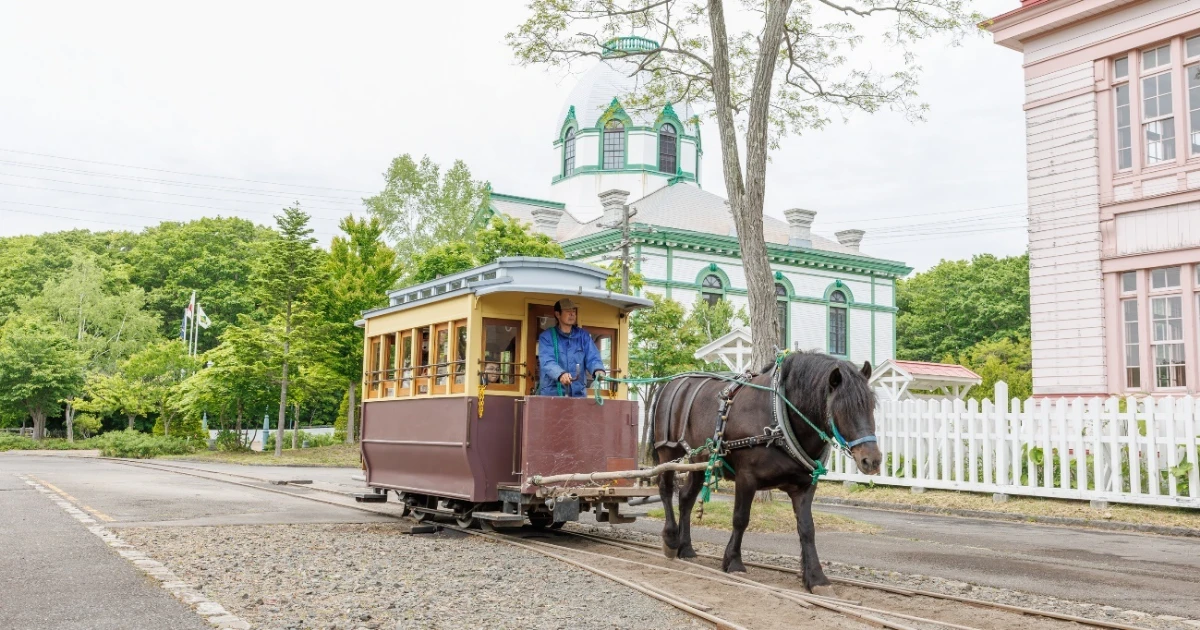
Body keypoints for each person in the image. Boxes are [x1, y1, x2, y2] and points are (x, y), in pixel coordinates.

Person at [537, 298, 606, 396]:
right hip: (552, 395)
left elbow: (593, 357)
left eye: (573, 311)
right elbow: (547, 361)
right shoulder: (547, 337)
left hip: (578, 394)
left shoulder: (583, 336)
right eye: (568, 311)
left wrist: (598, 370)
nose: (572, 314)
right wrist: (560, 374)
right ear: (558, 314)